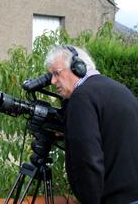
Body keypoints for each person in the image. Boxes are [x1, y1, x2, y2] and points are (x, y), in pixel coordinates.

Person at [45, 45, 138, 204]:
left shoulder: (82, 97)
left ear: (77, 67)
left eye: (56, 73)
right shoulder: (119, 89)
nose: (53, 81)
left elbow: (87, 160)